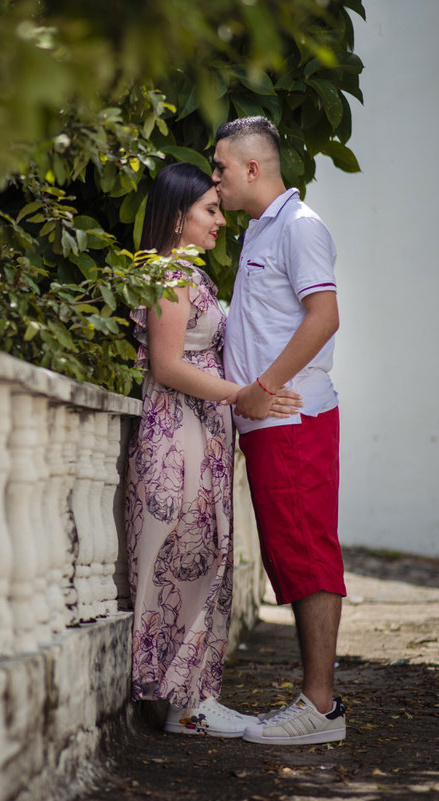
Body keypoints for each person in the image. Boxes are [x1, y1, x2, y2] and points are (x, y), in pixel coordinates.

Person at [124, 162, 303, 737]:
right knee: (184, 559)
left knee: (203, 558)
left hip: (203, 435)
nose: (220, 220)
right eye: (209, 209)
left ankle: (194, 696)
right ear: (177, 216)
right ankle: (184, 701)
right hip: (178, 436)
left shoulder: (186, 274)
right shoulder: (169, 273)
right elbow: (168, 365)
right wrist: (242, 396)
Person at [211, 116, 347, 745]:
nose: (216, 178)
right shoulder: (261, 231)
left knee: (308, 555)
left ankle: (319, 709)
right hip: (270, 423)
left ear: (253, 169)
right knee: (289, 556)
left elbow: (325, 318)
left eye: (221, 168)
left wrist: (262, 390)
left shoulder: (299, 227)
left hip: (292, 417)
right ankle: (313, 702)